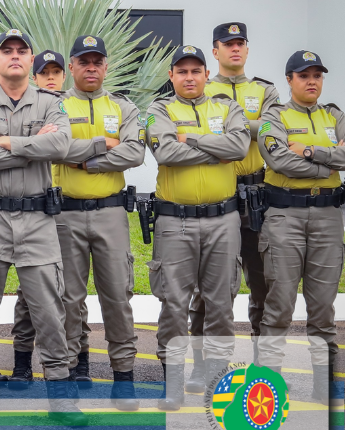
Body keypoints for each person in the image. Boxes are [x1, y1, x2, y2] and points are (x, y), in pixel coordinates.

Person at [0, 29, 83, 429]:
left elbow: (60, 146)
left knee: (51, 314)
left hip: (37, 220)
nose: (14, 55)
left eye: (21, 51)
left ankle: (61, 400)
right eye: (6, 51)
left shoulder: (51, 102)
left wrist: (3, 142)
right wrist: (30, 146)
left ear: (30, 60)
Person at [145, 45, 249, 410]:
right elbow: (165, 152)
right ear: (171, 76)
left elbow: (239, 146)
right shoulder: (159, 110)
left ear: (207, 74)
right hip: (176, 221)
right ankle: (173, 384)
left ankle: (216, 381)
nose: (189, 77)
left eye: (195, 71)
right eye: (182, 71)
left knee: (220, 303)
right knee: (174, 303)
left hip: (224, 220)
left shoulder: (228, 107)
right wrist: (217, 150)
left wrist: (190, 138)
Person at [50, 35, 145, 410]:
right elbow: (53, 148)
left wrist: (83, 161)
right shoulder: (55, 106)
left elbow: (134, 152)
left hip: (110, 213)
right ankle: (71, 371)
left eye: (97, 62)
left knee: (118, 297)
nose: (91, 68)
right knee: (68, 299)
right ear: (72, 66)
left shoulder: (123, 106)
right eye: (84, 62)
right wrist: (106, 144)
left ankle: (124, 378)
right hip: (65, 214)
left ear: (106, 66)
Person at [186, 22, 282, 388]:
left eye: (240, 42)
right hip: (220, 195)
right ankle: (203, 366)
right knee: (209, 289)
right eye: (228, 44)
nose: (235, 48)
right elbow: (258, 130)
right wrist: (247, 130)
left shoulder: (265, 89)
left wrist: (231, 131)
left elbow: (274, 131)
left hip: (260, 197)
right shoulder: (202, 87)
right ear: (215, 51)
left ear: (247, 48)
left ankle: (264, 369)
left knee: (263, 284)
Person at [256, 50, 341, 402]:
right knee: (279, 304)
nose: (311, 81)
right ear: (289, 80)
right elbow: (279, 160)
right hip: (285, 216)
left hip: (328, 217)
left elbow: (296, 158)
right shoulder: (274, 116)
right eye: (304, 76)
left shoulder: (334, 115)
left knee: (323, 309)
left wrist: (309, 151)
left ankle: (324, 384)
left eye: (317, 75)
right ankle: (267, 387)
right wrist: (331, 163)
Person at [6, 49, 69, 382]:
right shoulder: (26, 108)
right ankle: (21, 360)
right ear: (35, 76)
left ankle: (74, 359)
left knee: (65, 290)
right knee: (28, 293)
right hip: (35, 209)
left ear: (64, 76)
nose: (50, 78)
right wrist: (35, 144)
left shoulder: (64, 109)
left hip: (68, 208)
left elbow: (67, 148)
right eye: (45, 73)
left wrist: (24, 145)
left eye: (56, 72)